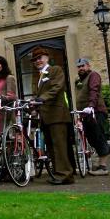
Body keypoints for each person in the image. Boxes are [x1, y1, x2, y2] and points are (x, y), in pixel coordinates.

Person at [74, 58, 110, 175]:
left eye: (82, 66)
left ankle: (103, 167)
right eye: (78, 67)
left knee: (98, 138)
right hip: (85, 113)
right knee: (93, 139)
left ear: (88, 66)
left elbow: (94, 91)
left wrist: (91, 106)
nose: (80, 68)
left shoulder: (94, 75)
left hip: (96, 111)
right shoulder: (79, 80)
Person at [31, 46, 74, 185]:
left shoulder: (55, 70)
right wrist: (33, 105)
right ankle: (58, 174)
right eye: (35, 59)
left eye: (40, 58)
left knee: (59, 147)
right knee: (51, 147)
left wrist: (42, 98)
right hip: (46, 117)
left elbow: (57, 87)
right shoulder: (39, 76)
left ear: (47, 57)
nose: (38, 61)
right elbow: (38, 96)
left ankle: (65, 175)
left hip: (57, 115)